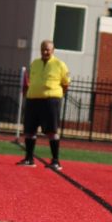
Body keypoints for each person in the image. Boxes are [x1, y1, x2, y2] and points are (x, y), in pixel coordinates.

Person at [17, 40, 70, 170]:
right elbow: (28, 80)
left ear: (53, 50)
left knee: (52, 131)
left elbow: (65, 84)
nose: (45, 52)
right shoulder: (34, 63)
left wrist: (55, 95)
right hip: (33, 100)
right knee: (29, 130)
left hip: (51, 101)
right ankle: (29, 159)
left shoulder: (60, 64)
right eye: (43, 49)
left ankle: (55, 161)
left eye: (48, 49)